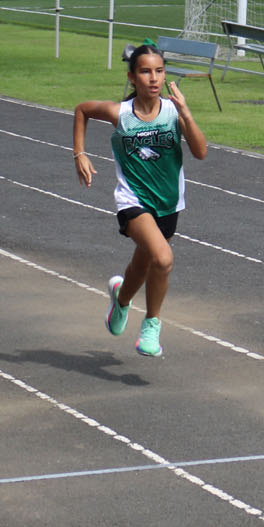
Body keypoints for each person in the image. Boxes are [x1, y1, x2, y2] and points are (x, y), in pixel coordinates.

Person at [73, 41, 208, 357]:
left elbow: (200, 152)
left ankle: (121, 298)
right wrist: (80, 153)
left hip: (169, 203)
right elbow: (82, 110)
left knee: (144, 261)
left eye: (159, 71)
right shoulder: (119, 113)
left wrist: (186, 113)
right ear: (132, 77)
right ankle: (152, 324)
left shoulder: (174, 112)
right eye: (145, 72)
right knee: (163, 258)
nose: (154, 78)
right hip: (132, 200)